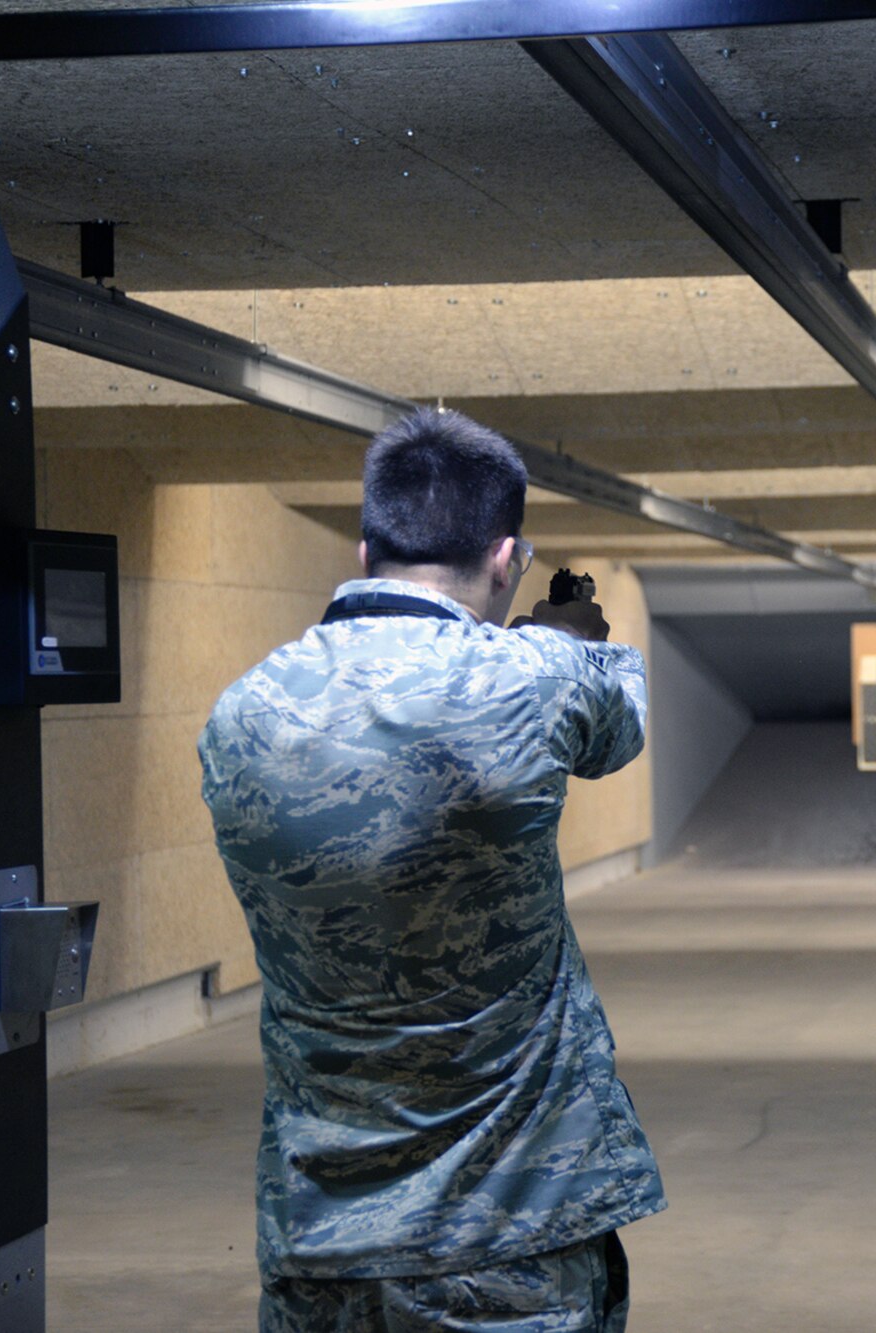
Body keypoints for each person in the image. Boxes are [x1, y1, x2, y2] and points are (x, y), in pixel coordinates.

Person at [198, 408, 664, 1333]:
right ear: (506, 557)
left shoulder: (241, 712)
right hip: (506, 1242)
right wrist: (566, 633)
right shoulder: (534, 678)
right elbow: (620, 714)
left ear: (366, 545)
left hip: (318, 1239)